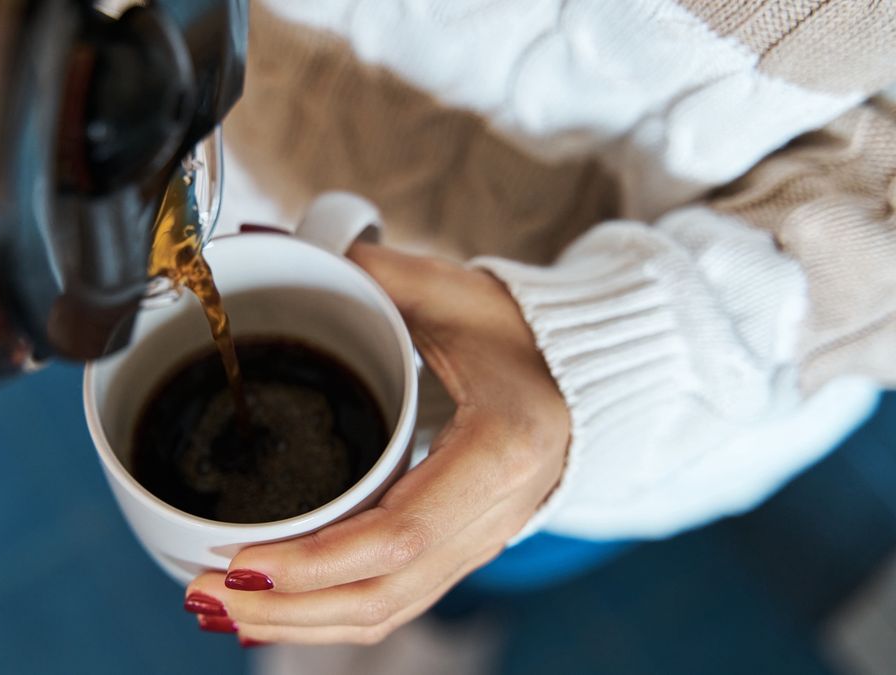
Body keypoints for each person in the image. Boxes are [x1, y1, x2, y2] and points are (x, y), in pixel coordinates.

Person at [181, 0, 896, 650]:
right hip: (231, 169)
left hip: (632, 405)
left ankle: (440, 628)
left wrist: (607, 352)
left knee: (494, 556)